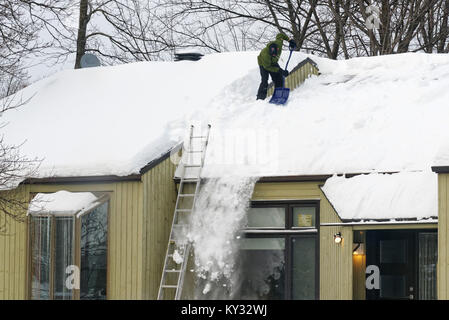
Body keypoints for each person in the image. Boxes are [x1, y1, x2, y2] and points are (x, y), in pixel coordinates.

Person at [256, 33, 297, 100]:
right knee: (264, 80)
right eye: (273, 55)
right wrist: (280, 70)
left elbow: (280, 35)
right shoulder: (265, 54)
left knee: (278, 78)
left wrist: (289, 40)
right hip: (264, 64)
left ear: (277, 49)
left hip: (273, 62)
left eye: (275, 54)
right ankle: (260, 98)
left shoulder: (279, 43)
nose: (275, 56)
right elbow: (267, 67)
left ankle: (278, 95)